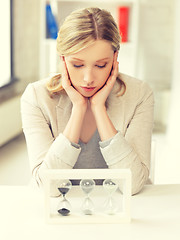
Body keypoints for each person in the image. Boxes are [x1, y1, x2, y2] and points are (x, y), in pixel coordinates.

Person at [21, 7, 154, 196]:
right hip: (59, 208)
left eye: (101, 65)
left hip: (120, 207)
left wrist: (99, 108)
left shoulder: (139, 94)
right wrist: (79, 108)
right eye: (77, 65)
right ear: (63, 59)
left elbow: (132, 185)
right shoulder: (36, 97)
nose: (88, 78)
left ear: (115, 58)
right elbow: (48, 187)